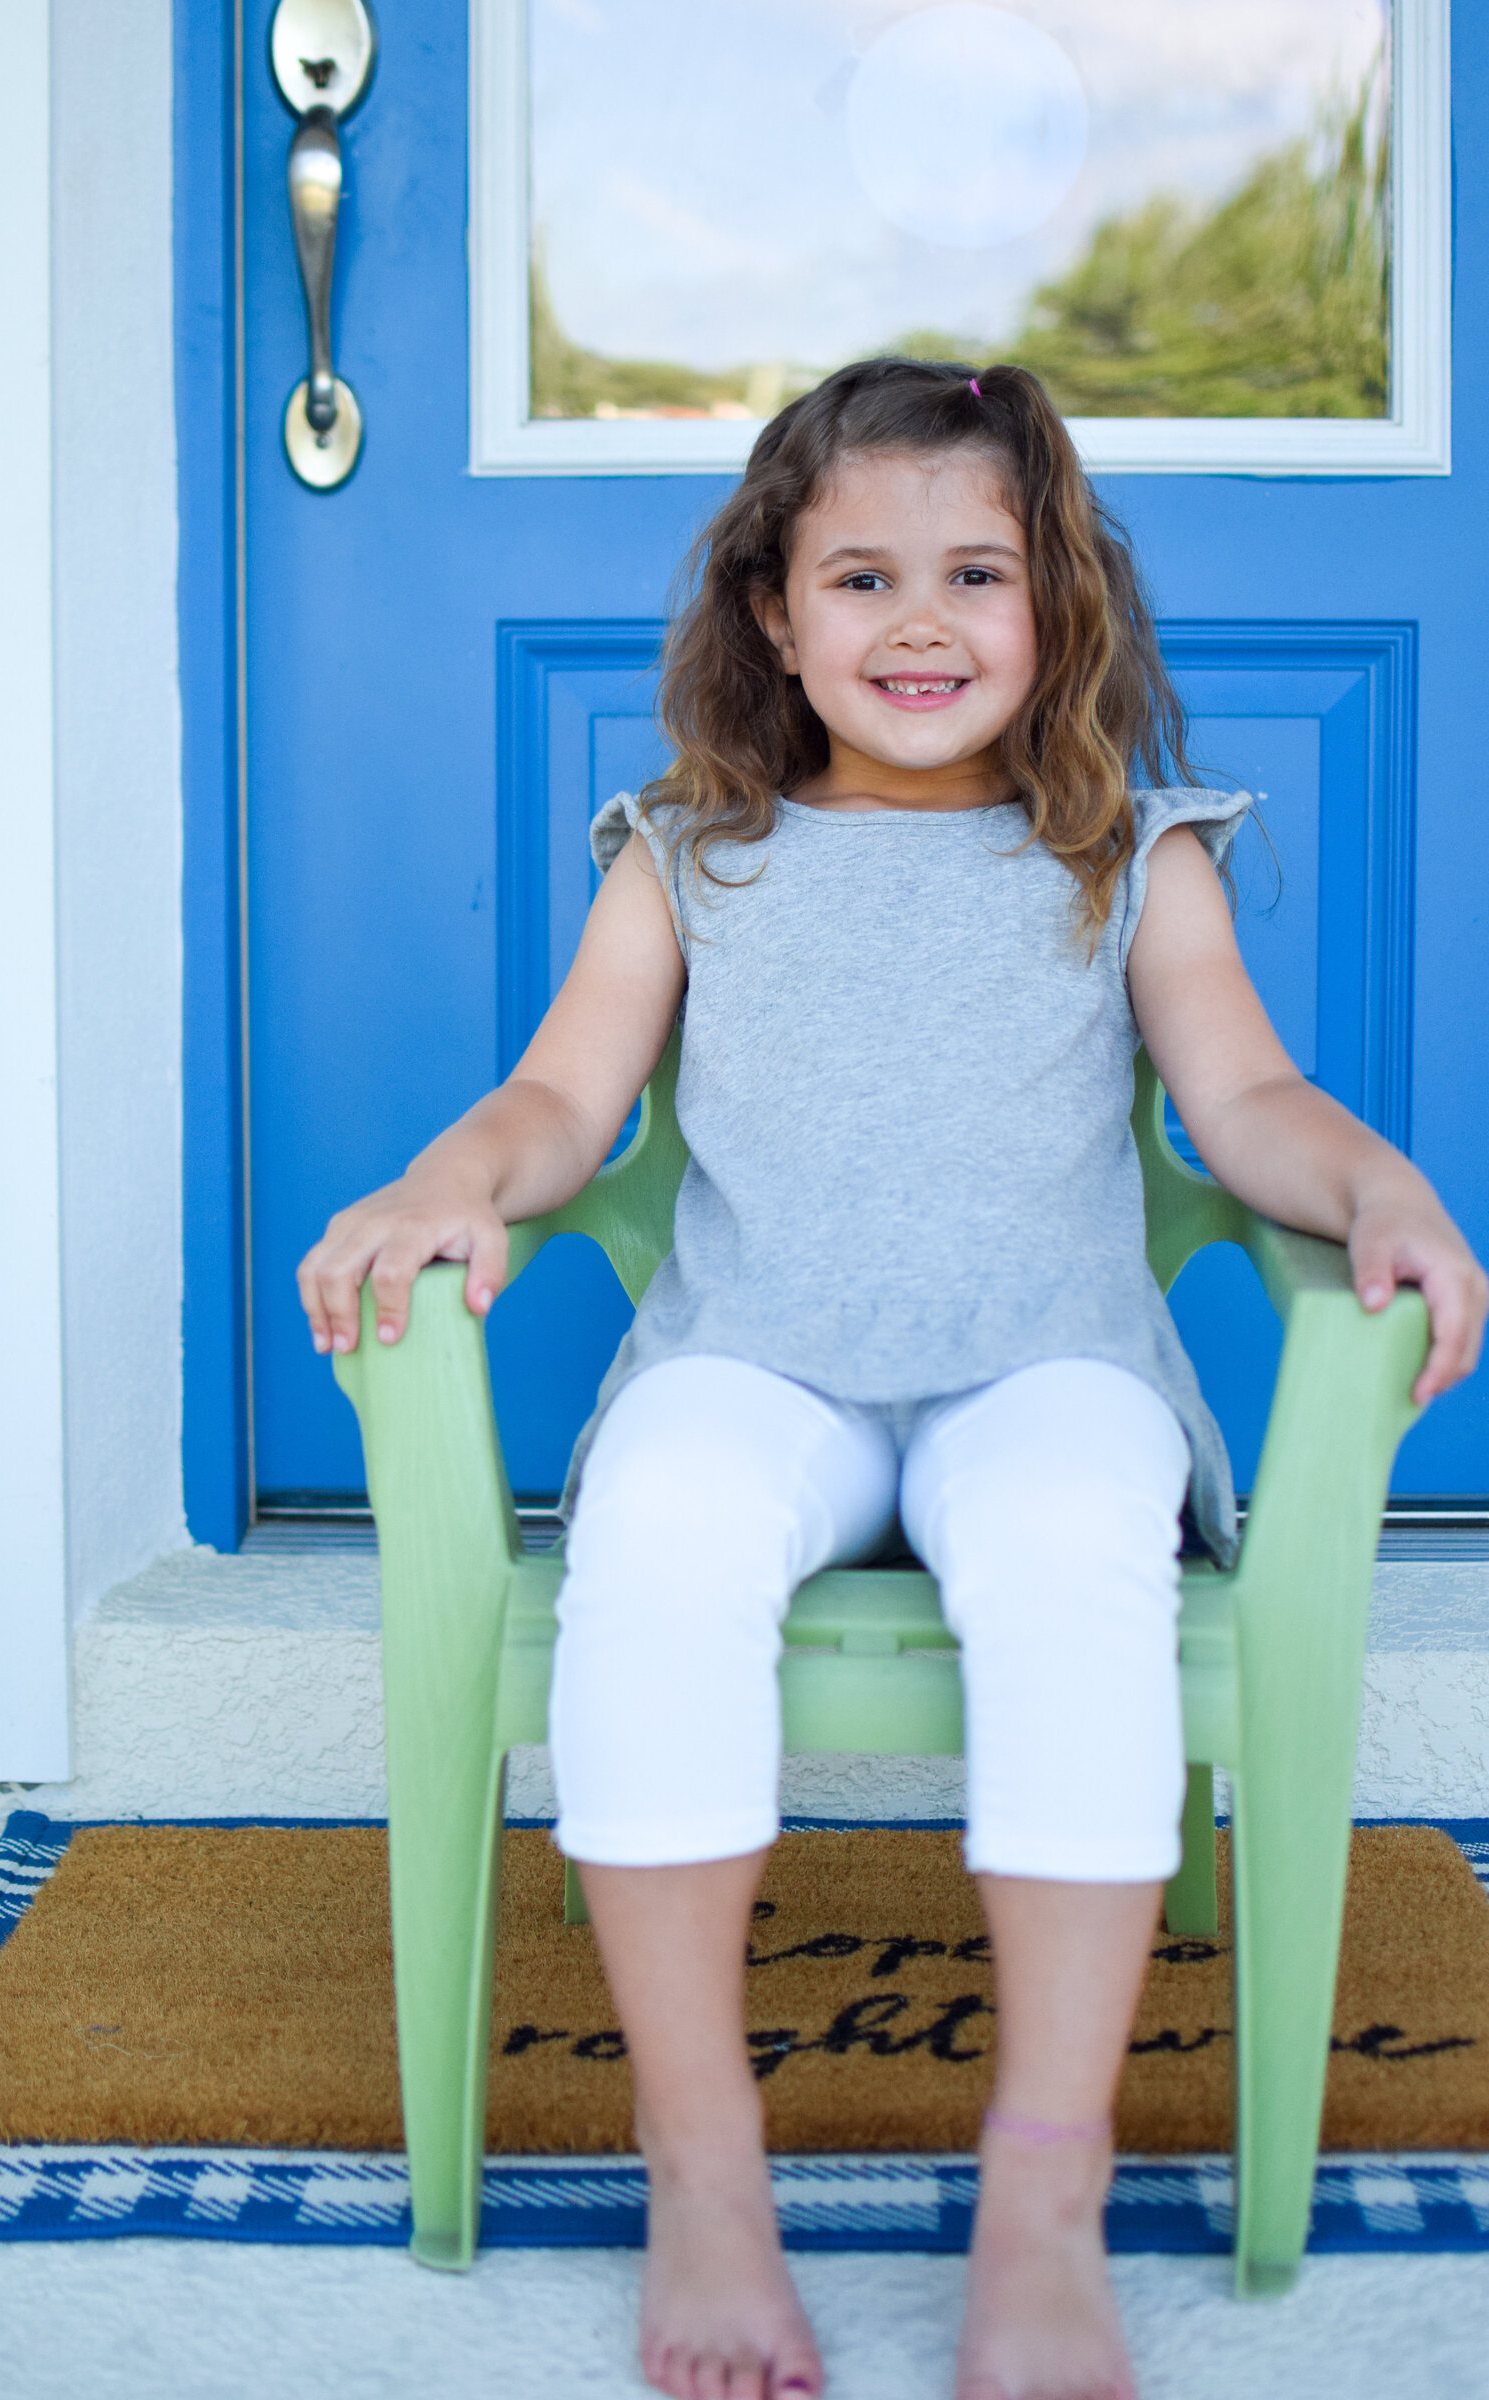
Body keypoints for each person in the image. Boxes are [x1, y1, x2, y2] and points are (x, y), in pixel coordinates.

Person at [297, 360, 1485, 2400]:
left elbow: (1245, 1097)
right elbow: (560, 1098)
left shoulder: (1133, 851)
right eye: (858, 576)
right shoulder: (687, 852)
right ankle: (704, 2162)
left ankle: (1039, 2187)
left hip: (1047, 1368)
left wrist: (1378, 1184)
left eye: (973, 574)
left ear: (1058, 604)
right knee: (653, 1530)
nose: (917, 624)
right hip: (759, 1366)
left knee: (1058, 1556)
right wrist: (439, 1187)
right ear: (772, 612)